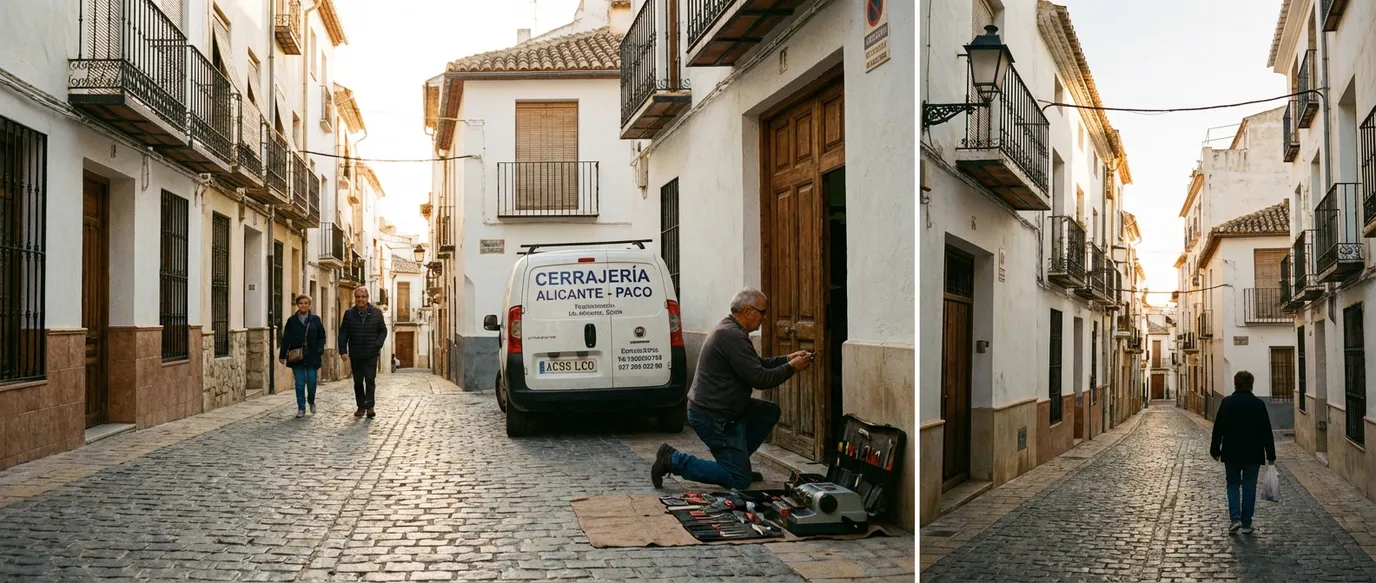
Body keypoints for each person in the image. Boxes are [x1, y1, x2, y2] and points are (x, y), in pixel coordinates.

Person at [651, 287, 813, 489]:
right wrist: (791, 368)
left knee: (768, 411)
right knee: (739, 480)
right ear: (748, 311)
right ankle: (673, 460)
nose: (764, 318)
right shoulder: (731, 335)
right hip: (712, 416)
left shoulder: (732, 331)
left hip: (726, 410)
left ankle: (737, 463)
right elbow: (760, 378)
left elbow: (756, 364)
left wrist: (787, 359)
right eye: (762, 312)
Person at [1210, 370, 1277, 535]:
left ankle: (1235, 519)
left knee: (1232, 485)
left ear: (1235, 384)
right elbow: (1266, 431)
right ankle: (1247, 523)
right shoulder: (1258, 404)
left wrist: (1215, 449)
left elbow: (1218, 428)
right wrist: (1271, 455)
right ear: (1251, 385)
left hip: (1231, 452)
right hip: (1253, 453)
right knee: (1249, 487)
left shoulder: (1227, 403)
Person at [339, 287, 388, 419]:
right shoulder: (349, 314)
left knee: (370, 380)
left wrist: (377, 345)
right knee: (358, 381)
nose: (361, 299)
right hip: (355, 353)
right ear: (355, 298)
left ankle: (370, 406)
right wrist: (342, 351)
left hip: (371, 353)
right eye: (358, 297)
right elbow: (343, 332)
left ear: (367, 298)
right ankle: (361, 406)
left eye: (363, 297)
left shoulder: (377, 313)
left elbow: (383, 331)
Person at [279, 295, 326, 418]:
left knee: (311, 382)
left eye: (306, 303)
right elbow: (286, 338)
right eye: (301, 303)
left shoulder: (315, 320)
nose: (303, 305)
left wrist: (319, 349)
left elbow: (322, 336)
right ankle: (301, 408)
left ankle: (311, 400)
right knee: (299, 383)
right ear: (297, 305)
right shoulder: (292, 321)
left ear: (309, 305)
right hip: (297, 356)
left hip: (312, 356)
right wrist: (282, 355)